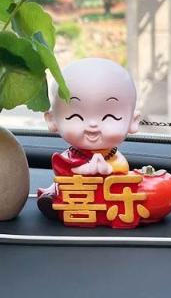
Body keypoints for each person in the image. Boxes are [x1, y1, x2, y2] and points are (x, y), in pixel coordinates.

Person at [38, 58, 142, 222]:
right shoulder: (70, 156)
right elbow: (62, 169)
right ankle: (52, 200)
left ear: (133, 121)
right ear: (52, 120)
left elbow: (122, 169)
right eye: (75, 116)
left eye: (110, 116)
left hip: (108, 199)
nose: (92, 125)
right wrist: (82, 169)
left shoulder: (114, 157)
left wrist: (108, 168)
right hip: (76, 198)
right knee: (59, 190)